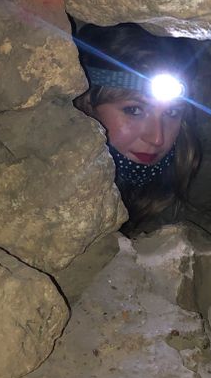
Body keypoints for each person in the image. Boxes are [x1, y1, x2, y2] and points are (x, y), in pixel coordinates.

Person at [73, 22, 202, 232]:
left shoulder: (180, 175)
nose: (157, 138)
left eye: (171, 112)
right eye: (134, 110)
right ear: (88, 103)